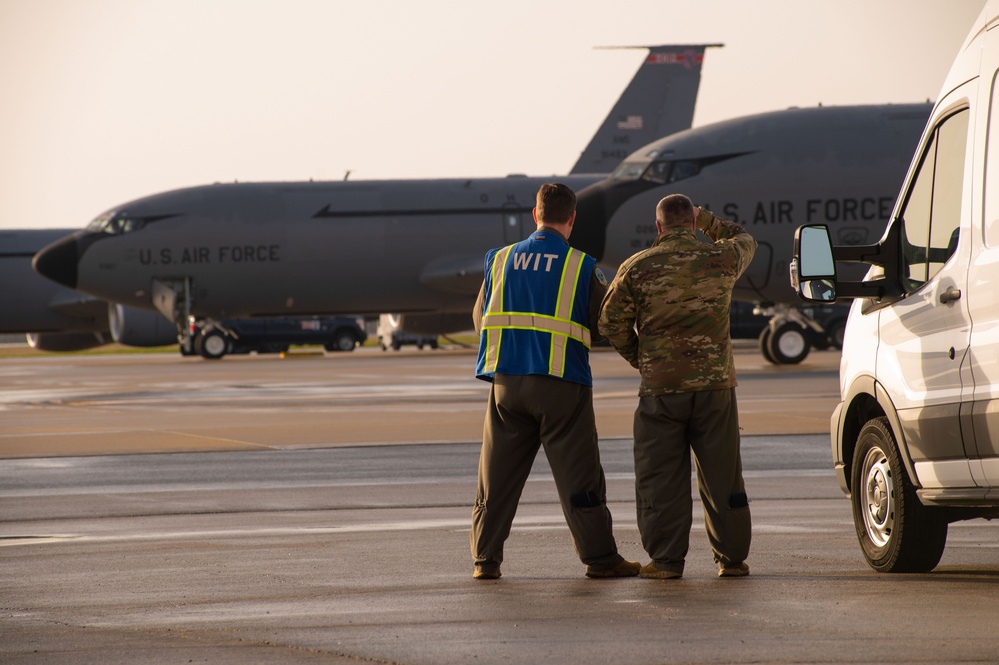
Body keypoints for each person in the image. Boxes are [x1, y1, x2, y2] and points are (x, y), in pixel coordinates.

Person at [469, 182, 639, 581]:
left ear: (535, 215)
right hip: (562, 382)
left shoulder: (500, 259)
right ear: (572, 219)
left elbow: (480, 318)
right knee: (579, 476)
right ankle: (600, 559)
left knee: (496, 477)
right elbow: (604, 322)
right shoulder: (581, 265)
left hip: (506, 383)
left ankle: (485, 560)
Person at [598, 194, 757, 580]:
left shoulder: (638, 267)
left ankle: (667, 561)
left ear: (658, 226)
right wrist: (710, 222)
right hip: (716, 388)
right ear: (691, 223)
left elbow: (609, 323)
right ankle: (731, 559)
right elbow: (745, 239)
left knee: (659, 476)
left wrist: (644, 360)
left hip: (661, 391)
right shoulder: (720, 260)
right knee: (722, 474)